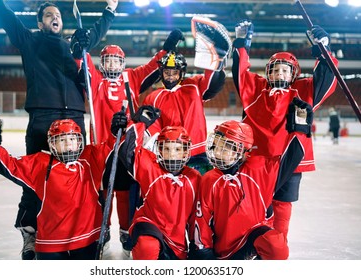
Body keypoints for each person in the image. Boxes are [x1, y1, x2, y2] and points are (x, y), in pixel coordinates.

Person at [0, 0, 118, 259]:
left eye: (57, 15)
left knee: (82, 178)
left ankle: (89, 230)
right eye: (48, 15)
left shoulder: (73, 46)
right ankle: (30, 231)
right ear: (40, 23)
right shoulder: (30, 41)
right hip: (43, 116)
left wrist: (110, 11)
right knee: (34, 179)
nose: (54, 18)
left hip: (74, 118)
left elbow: (92, 35)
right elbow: (6, 16)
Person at [71, 30, 184, 256]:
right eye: (108, 59)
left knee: (125, 191)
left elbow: (153, 66)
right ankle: (102, 232)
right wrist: (78, 48)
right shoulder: (95, 81)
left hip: (125, 147)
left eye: (116, 59)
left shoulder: (130, 78)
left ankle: (125, 230)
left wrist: (168, 46)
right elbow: (81, 64)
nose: (112, 63)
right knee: (103, 192)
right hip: (100, 146)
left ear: (122, 62)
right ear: (102, 63)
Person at [232, 20, 338, 243]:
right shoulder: (256, 91)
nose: (280, 74)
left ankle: (278, 241)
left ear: (293, 74)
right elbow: (241, 72)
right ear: (268, 73)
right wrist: (243, 42)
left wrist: (323, 48)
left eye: (285, 70)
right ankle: (258, 239)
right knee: (259, 201)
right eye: (275, 69)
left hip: (291, 160)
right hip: (260, 160)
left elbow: (325, 80)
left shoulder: (303, 91)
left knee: (282, 203)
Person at [0, 117, 113, 260]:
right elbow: (10, 165)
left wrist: (117, 129)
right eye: (62, 140)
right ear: (52, 143)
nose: (68, 144)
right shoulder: (40, 164)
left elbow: (114, 146)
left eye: (72, 139)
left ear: (79, 141)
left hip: (87, 240)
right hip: (50, 243)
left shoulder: (90, 158)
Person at [189, 120, 289, 260]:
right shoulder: (209, 179)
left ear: (242, 150)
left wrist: (300, 129)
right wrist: (203, 250)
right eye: (216, 144)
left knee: (276, 246)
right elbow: (202, 220)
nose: (217, 151)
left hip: (252, 238)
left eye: (224, 147)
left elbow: (289, 159)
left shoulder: (257, 170)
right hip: (224, 251)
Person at [112, 106, 201, 260]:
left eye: (177, 149)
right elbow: (127, 150)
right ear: (159, 150)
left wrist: (198, 246)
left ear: (186, 152)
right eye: (166, 149)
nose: (172, 154)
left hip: (176, 241)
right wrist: (140, 123)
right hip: (148, 226)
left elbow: (196, 218)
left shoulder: (194, 178)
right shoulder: (150, 167)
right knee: (147, 245)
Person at [142, 50, 227, 175]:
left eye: (175, 72)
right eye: (167, 72)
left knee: (199, 192)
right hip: (171, 156)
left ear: (182, 73)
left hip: (197, 154)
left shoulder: (193, 86)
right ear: (161, 72)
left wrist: (215, 59)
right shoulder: (153, 97)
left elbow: (212, 83)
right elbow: (152, 130)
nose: (170, 76)